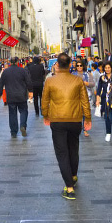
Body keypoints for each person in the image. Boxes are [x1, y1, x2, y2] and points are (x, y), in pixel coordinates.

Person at [41, 53, 92, 200]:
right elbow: (85, 102)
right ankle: (73, 176)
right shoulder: (77, 80)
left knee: (62, 153)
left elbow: (44, 102)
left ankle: (69, 188)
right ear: (70, 64)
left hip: (57, 120)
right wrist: (87, 118)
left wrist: (46, 115)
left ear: (57, 64)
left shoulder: (50, 81)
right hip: (75, 120)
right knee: (73, 149)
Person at [0, 57, 33, 138]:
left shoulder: (6, 71)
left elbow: (1, 83)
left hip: (11, 96)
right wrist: (30, 91)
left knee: (12, 114)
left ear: (10, 62)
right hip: (22, 95)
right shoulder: (22, 70)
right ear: (17, 62)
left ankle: (13, 132)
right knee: (23, 111)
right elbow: (28, 81)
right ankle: (23, 125)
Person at [73, 59, 95, 137]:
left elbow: (93, 84)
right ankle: (78, 128)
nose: (79, 67)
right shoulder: (73, 74)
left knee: (85, 113)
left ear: (83, 66)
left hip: (87, 96)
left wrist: (87, 83)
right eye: (77, 66)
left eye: (80, 65)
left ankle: (85, 129)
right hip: (76, 97)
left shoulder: (88, 74)